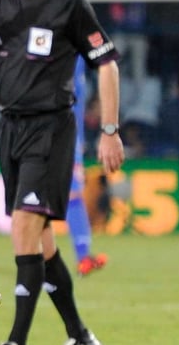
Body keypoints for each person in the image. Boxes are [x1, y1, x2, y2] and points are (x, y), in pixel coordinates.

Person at [0, 0, 124, 345]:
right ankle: (79, 333)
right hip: (9, 129)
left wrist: (109, 130)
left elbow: (106, 64)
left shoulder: (67, 1)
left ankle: (15, 340)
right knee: (43, 240)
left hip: (51, 129)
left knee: (23, 227)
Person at [66, 57, 106, 277]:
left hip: (72, 138)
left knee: (73, 196)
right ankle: (35, 263)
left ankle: (83, 255)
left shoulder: (78, 56)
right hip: (54, 136)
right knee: (37, 204)